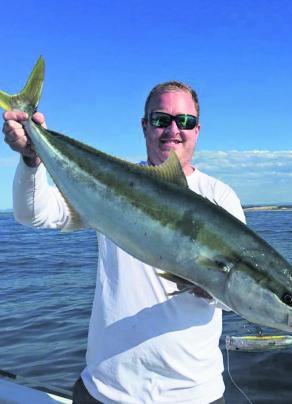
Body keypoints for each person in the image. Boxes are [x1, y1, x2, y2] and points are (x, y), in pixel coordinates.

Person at [2, 81, 246, 403]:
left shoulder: (219, 197)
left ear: (197, 130)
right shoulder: (111, 183)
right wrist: (32, 160)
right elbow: (32, 213)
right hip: (107, 390)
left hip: (193, 393)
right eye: (161, 119)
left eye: (184, 121)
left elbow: (238, 290)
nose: (173, 129)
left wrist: (212, 289)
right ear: (145, 126)